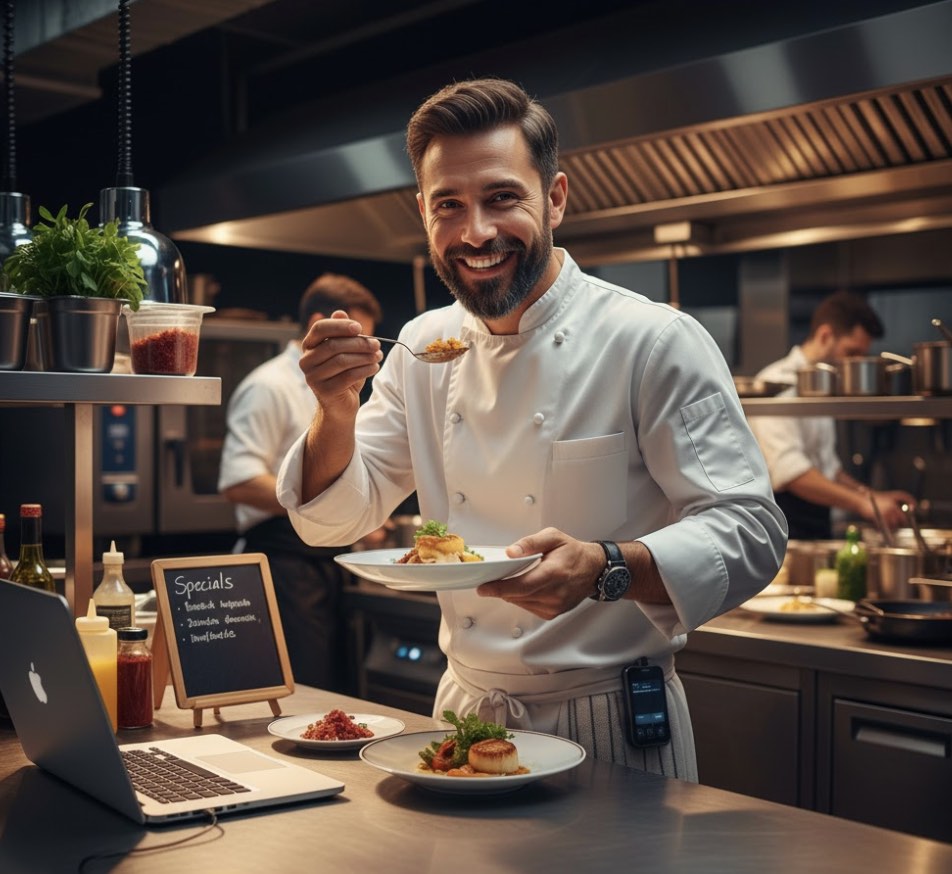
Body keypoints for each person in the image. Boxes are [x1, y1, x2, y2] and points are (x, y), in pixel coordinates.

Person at [275, 78, 787, 780]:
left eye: (502, 198)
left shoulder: (652, 339)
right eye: (449, 205)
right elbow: (331, 521)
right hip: (462, 720)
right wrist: (335, 407)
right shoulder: (423, 348)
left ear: (555, 198)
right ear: (423, 212)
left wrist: (608, 567)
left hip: (611, 725)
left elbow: (751, 530)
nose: (476, 232)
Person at [218, 272, 383, 691]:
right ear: (319, 324)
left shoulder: (348, 385)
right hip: (281, 565)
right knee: (303, 689)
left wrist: (355, 513)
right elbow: (238, 480)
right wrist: (317, 503)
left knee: (337, 687)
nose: (366, 349)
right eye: (358, 336)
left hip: (326, 563)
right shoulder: (267, 386)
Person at [749, 291, 914, 541]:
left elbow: (828, 468)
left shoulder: (823, 388)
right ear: (825, 336)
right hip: (783, 525)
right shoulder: (776, 383)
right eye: (851, 353)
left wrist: (871, 496)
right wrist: (861, 503)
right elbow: (790, 472)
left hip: (817, 521)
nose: (855, 364)